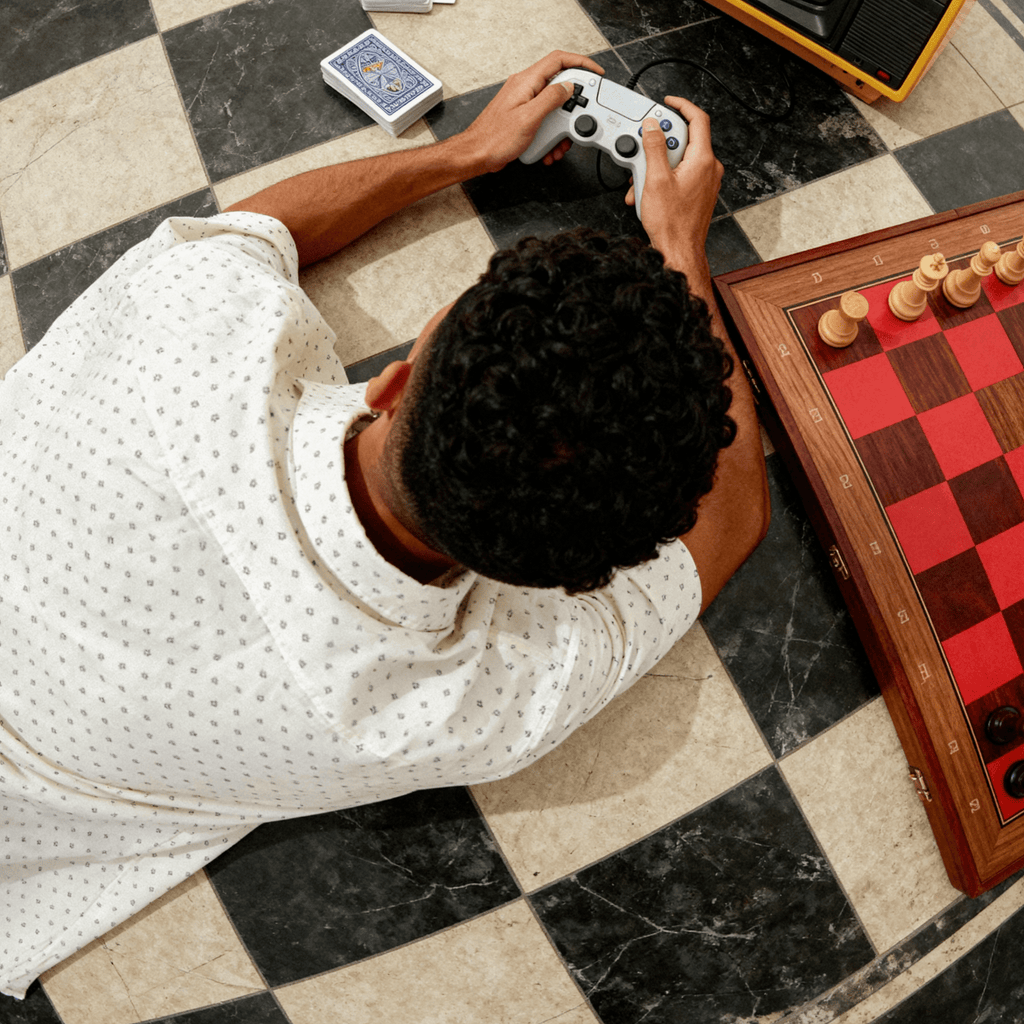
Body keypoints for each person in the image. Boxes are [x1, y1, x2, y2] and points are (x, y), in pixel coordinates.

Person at [0, 51, 768, 998]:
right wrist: (683, 251)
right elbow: (734, 518)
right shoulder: (460, 708)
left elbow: (261, 228)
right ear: (557, 579)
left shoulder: (191, 325)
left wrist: (463, 153)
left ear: (394, 382)